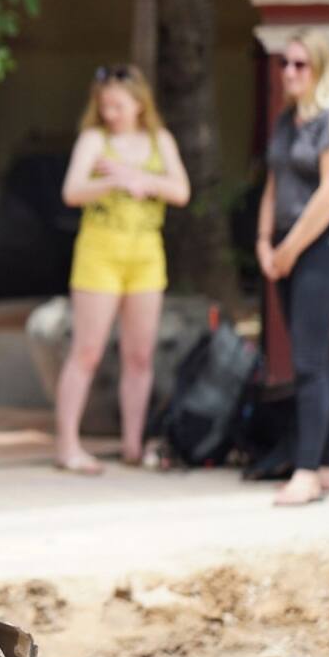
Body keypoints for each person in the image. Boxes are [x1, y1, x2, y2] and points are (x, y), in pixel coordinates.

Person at [55, 64, 190, 473]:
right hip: (101, 252)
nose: (110, 112)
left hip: (146, 253)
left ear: (138, 103)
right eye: (104, 105)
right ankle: (68, 445)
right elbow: (72, 191)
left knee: (139, 355)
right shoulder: (94, 140)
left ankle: (132, 444)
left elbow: (181, 191)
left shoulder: (158, 140)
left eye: (117, 105)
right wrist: (113, 183)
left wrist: (138, 177)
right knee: (88, 350)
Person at [257, 30, 329, 506]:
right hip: (286, 247)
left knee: (309, 360)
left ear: (320, 67)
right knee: (317, 353)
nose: (291, 72)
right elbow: (274, 184)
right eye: (285, 64)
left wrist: (291, 248)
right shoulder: (287, 120)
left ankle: (307, 471)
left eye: (301, 64)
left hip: (323, 245)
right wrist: (264, 241)